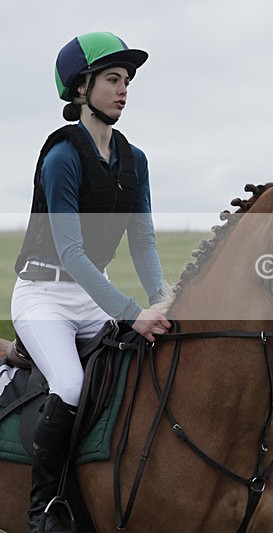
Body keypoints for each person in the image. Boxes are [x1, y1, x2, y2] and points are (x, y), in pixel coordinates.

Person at [11, 31, 172, 532]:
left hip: (88, 295)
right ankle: (44, 510)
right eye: (112, 79)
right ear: (82, 88)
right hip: (43, 295)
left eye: (126, 80)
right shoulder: (62, 156)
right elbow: (72, 252)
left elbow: (143, 244)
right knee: (71, 383)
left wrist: (162, 298)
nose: (123, 89)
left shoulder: (135, 159)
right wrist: (130, 311)